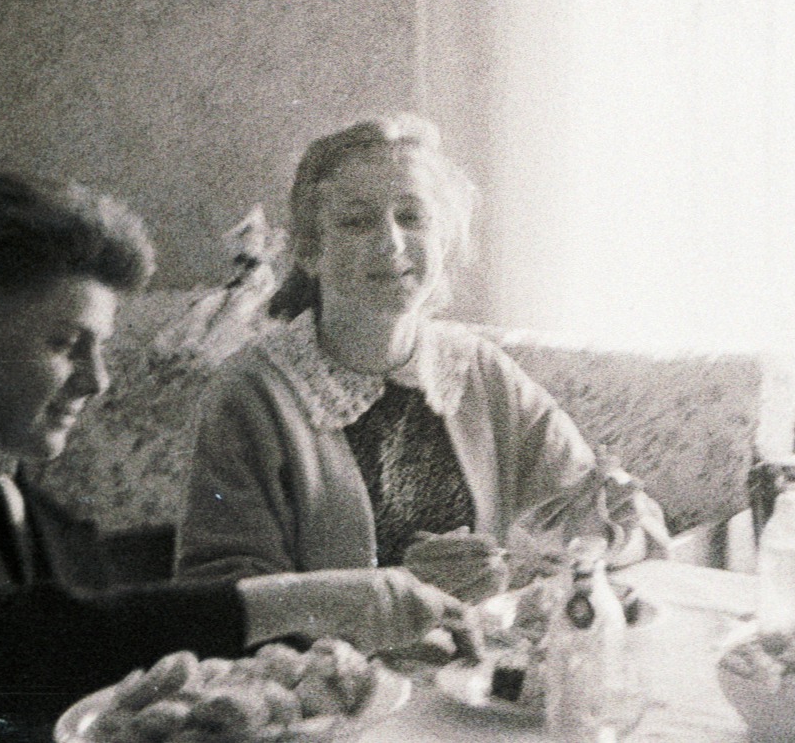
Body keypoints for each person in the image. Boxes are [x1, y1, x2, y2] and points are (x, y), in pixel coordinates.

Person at [0, 173, 470, 743]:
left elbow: (99, 584)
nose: (97, 379)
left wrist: (305, 561)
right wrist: (297, 596)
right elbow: (2, 638)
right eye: (68, 344)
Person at [177, 115, 667, 600]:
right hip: (327, 674)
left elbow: (612, 514)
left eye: (411, 216)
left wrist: (555, 553)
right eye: (356, 221)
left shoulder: (476, 370)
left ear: (444, 237)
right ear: (310, 250)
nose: (390, 242)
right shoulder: (249, 395)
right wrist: (390, 597)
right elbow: (222, 600)